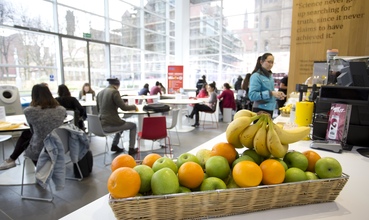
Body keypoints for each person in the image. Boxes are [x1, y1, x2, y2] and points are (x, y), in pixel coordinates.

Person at [0, 84, 66, 169]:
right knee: (28, 133)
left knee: (26, 133)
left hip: (39, 149)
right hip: (60, 146)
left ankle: (12, 159)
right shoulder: (61, 110)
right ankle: (12, 159)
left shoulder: (29, 111)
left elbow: (33, 131)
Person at [96, 78, 138, 155]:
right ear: (117, 85)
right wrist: (134, 107)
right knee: (133, 126)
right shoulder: (114, 92)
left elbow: (98, 110)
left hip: (101, 124)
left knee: (121, 123)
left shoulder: (100, 93)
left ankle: (114, 145)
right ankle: (131, 149)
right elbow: (124, 107)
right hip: (110, 125)